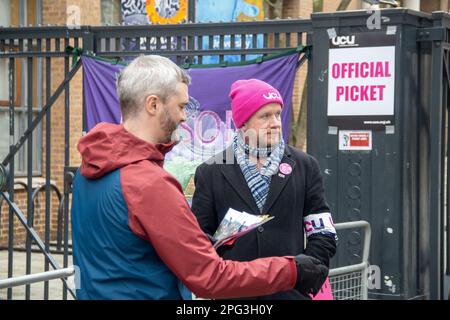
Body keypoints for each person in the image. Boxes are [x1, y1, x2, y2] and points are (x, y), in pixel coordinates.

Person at [71, 55, 328, 300]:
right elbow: (208, 275)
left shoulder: (89, 168)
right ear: (153, 104)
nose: (184, 116)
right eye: (181, 106)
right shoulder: (149, 183)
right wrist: (292, 270)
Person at [191, 79, 337, 300]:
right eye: (265, 116)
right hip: (234, 297)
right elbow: (200, 239)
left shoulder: (305, 166)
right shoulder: (210, 172)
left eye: (277, 114)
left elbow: (323, 232)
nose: (275, 123)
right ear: (243, 123)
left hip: (291, 294)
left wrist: (305, 275)